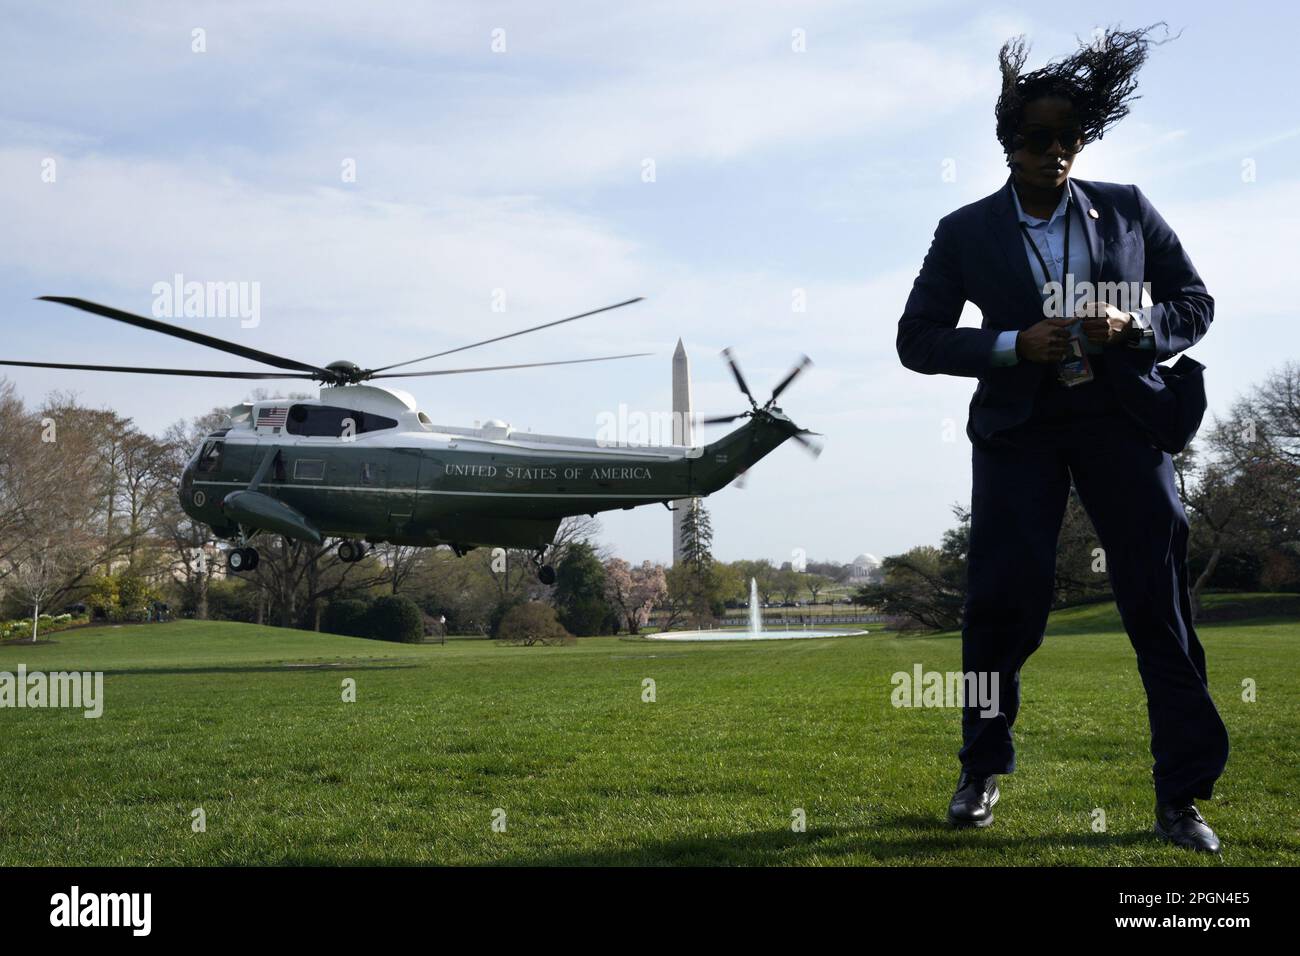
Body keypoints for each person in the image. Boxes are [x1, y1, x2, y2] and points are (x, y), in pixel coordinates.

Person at [896, 24, 1228, 853]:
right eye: (1038, 139)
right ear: (1009, 144)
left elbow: (1194, 302)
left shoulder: (1127, 209)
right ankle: (979, 769)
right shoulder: (965, 230)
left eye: (1068, 138)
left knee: (1160, 607)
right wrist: (1014, 344)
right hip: (1021, 430)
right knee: (1000, 609)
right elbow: (918, 338)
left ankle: (1181, 798)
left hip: (1124, 423)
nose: (1055, 153)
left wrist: (1139, 325)